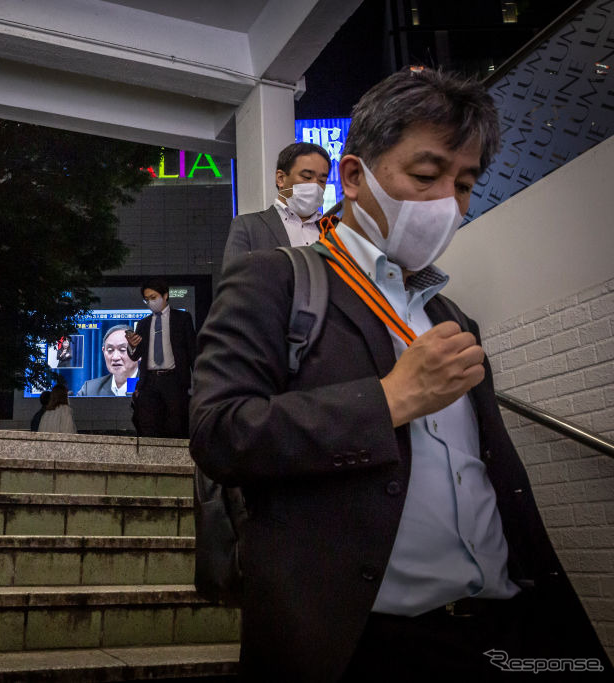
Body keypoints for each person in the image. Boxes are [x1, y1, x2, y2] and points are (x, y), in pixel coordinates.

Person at [190, 69, 609, 681]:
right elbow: (218, 431)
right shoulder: (273, 279)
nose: (448, 202)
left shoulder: (447, 311)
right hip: (363, 644)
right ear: (355, 177)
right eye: (426, 174)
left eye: (464, 184)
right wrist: (384, 401)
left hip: (502, 627)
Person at [222, 142, 331, 269]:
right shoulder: (248, 226)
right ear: (281, 178)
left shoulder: (333, 231)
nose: (315, 185)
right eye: (307, 177)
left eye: (322, 181)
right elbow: (234, 281)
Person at [126, 279, 196, 438]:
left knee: (176, 426)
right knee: (148, 426)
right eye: (147, 299)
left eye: (154, 297)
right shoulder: (143, 324)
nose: (151, 302)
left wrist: (199, 382)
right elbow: (135, 355)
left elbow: (193, 351)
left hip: (174, 380)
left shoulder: (182, 318)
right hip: (149, 381)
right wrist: (132, 345)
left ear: (165, 296)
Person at [77, 325, 139, 396]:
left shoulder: (152, 388)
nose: (115, 357)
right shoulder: (89, 390)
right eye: (110, 350)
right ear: (103, 351)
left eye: (122, 350)